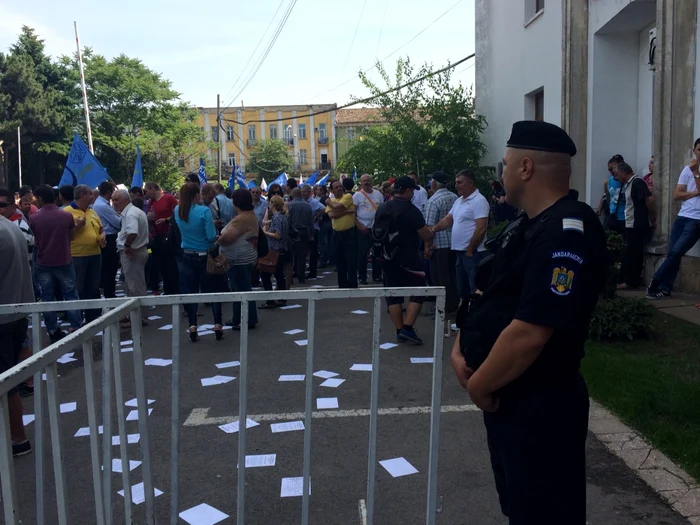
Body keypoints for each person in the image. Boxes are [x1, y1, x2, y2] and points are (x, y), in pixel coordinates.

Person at [452, 120, 607, 524]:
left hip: (540, 404)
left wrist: (479, 385)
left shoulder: (566, 232)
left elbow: (531, 332)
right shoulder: (527, 226)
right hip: (511, 398)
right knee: (520, 507)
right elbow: (489, 296)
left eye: (503, 164)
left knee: (545, 511)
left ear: (524, 167)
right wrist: (460, 349)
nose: (500, 174)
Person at [374, 176, 434, 344]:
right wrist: (431, 233)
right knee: (419, 290)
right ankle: (407, 328)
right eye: (412, 191)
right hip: (409, 257)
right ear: (407, 191)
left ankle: (399, 330)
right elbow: (424, 233)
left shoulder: (383, 207)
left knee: (393, 294)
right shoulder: (411, 210)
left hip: (386, 256)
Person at [647, 139, 700, 299]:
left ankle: (655, 281)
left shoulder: (693, 170)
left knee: (677, 252)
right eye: (699, 149)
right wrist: (694, 193)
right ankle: (666, 288)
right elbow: (677, 194)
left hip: (696, 220)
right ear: (694, 150)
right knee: (672, 253)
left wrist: (696, 173)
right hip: (683, 216)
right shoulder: (687, 170)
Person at [0, 214, 35, 456]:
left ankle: (18, 437)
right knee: (8, 380)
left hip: (5, 315)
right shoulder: (9, 226)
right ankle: (17, 436)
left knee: (6, 384)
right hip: (16, 311)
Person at [29, 185, 82, 342]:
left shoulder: (34, 218)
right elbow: (71, 236)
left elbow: (35, 239)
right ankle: (76, 326)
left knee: (48, 296)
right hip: (64, 259)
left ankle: (52, 329)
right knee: (71, 293)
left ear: (40, 199)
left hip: (44, 261)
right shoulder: (66, 216)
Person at [430, 169, 490, 302]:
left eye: (459, 182)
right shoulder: (459, 201)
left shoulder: (479, 201)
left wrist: (470, 249)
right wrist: (433, 229)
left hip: (473, 253)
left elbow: (481, 228)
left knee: (474, 288)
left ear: (470, 183)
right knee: (462, 289)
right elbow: (448, 220)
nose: (456, 185)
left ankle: (474, 317)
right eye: (456, 182)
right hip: (459, 252)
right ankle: (463, 317)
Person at [173, 183, 222, 341]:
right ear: (196, 195)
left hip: (187, 254)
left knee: (191, 292)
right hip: (204, 255)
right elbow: (210, 236)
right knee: (213, 290)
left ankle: (192, 325)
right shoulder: (204, 211)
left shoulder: (178, 211)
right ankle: (217, 324)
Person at [218, 189, 259, 329]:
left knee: (240, 290)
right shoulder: (249, 215)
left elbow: (227, 238)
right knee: (244, 288)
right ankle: (244, 318)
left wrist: (219, 239)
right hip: (246, 258)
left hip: (239, 259)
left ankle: (242, 319)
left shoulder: (241, 219)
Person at [64, 184, 105, 325]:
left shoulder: (92, 212)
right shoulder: (67, 212)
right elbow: (63, 234)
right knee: (78, 288)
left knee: (93, 288)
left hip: (95, 253)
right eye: (90, 194)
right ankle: (77, 320)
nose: (93, 196)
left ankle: (93, 319)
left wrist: (103, 235)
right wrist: (76, 226)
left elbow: (101, 228)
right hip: (77, 255)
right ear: (82, 195)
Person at [614, 162, 655, 290]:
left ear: (623, 172)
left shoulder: (637, 183)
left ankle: (632, 281)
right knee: (630, 252)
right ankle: (627, 279)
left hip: (638, 223)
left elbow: (649, 200)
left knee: (634, 253)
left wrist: (653, 217)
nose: (616, 177)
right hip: (631, 223)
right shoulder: (629, 184)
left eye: (617, 174)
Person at [423, 172, 459, 312]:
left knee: (441, 276)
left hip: (439, 244)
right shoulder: (455, 197)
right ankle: (454, 302)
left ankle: (445, 306)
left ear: (433, 184)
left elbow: (429, 227)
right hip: (454, 241)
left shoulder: (433, 200)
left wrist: (427, 247)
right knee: (453, 274)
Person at [112, 190, 150, 325]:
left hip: (133, 252)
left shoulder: (131, 214)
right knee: (133, 285)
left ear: (126, 200)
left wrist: (127, 245)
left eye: (117, 200)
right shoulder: (133, 211)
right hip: (136, 251)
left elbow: (132, 232)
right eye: (113, 200)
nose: (114, 203)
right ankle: (133, 315)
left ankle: (139, 318)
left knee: (135, 286)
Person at [145, 181, 179, 295]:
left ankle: (173, 287)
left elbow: (177, 214)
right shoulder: (151, 202)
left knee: (170, 263)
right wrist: (149, 219)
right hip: (156, 236)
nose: (146, 193)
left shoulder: (169, 199)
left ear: (153, 189)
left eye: (147, 190)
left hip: (168, 235)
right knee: (161, 263)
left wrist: (166, 219)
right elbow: (150, 215)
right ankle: (167, 287)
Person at [326, 179, 358, 288]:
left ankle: (353, 283)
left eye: (340, 186)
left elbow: (336, 208)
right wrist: (347, 211)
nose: (339, 188)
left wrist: (328, 202)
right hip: (337, 234)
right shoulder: (333, 199)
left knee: (351, 260)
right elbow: (331, 215)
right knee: (340, 261)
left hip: (349, 233)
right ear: (331, 190)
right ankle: (342, 284)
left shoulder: (347, 197)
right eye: (336, 187)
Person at [260, 195, 291, 309]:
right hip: (281, 250)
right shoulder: (281, 217)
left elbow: (277, 235)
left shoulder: (278, 218)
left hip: (275, 250)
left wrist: (265, 233)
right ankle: (281, 298)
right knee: (278, 275)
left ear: (272, 204)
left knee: (266, 274)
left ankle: (270, 300)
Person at [353, 174, 384, 284]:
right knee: (362, 254)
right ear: (361, 183)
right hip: (363, 229)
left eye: (368, 180)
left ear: (371, 182)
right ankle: (362, 277)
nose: (366, 183)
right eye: (364, 181)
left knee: (377, 253)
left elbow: (382, 211)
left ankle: (377, 275)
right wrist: (359, 225)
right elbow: (353, 213)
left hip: (376, 230)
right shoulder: (357, 196)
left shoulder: (379, 195)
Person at [93, 181, 121, 299]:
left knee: (108, 268)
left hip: (108, 237)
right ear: (109, 192)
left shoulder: (101, 203)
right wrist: (122, 215)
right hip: (109, 239)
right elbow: (117, 223)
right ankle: (110, 294)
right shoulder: (103, 206)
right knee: (110, 269)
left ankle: (109, 292)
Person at [287, 187, 314, 284]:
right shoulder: (307, 205)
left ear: (293, 195)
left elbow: (288, 220)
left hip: (292, 233)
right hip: (304, 232)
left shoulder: (289, 205)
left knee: (291, 256)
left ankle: (290, 278)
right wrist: (311, 234)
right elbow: (310, 222)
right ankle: (301, 277)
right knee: (302, 256)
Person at [301, 184, 325, 279]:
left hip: (314, 229)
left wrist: (316, 216)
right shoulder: (302, 202)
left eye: (305, 192)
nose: (303, 194)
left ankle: (312, 271)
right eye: (302, 192)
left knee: (313, 251)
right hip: (304, 229)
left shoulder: (314, 202)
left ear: (309, 193)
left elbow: (323, 208)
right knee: (303, 251)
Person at [603, 154, 626, 234]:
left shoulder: (628, 181)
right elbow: (608, 198)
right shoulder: (608, 182)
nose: (612, 171)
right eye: (610, 169)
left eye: (613, 169)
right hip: (612, 216)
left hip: (624, 217)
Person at [316, 185, 333, 268]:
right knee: (330, 241)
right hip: (330, 222)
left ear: (322, 191)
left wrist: (317, 216)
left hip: (324, 222)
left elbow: (322, 209)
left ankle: (323, 260)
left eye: (318, 190)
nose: (317, 191)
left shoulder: (323, 199)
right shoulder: (328, 198)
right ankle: (331, 259)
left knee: (323, 242)